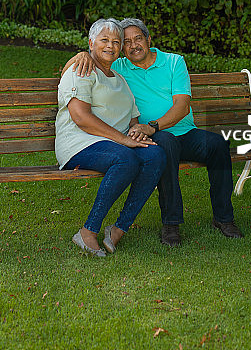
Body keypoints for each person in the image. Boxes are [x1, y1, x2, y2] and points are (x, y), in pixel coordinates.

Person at [63, 18, 243, 247]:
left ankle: (224, 218)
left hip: (181, 131)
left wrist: (154, 126)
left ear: (149, 39)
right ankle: (171, 224)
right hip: (153, 136)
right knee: (165, 146)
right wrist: (81, 54)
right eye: (126, 42)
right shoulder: (118, 65)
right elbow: (85, 65)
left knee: (218, 144)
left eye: (138, 38)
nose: (133, 45)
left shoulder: (174, 62)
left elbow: (182, 105)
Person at [56, 18, 167, 257]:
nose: (111, 46)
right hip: (79, 143)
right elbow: (81, 118)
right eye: (104, 40)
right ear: (91, 43)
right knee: (126, 159)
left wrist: (136, 132)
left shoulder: (120, 79)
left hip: (114, 144)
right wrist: (125, 140)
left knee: (155, 154)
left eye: (116, 42)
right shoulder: (81, 70)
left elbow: (132, 119)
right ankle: (87, 231)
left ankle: (119, 228)